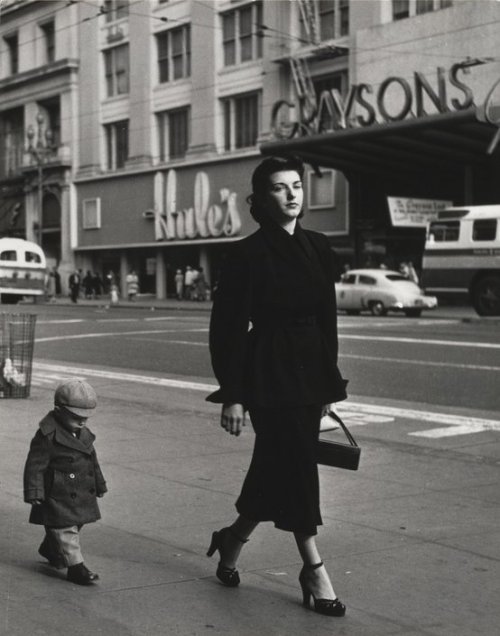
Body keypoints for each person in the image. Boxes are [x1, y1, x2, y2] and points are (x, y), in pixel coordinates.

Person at [207, 156, 348, 617]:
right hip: (267, 371)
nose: (292, 195)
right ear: (260, 199)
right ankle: (314, 567)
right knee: (298, 464)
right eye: (279, 188)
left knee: (276, 465)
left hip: (310, 370)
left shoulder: (319, 247)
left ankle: (231, 541)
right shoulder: (246, 255)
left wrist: (330, 380)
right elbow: (226, 328)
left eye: (296, 186)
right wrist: (232, 393)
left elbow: (327, 318)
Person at [23, 379, 107, 585]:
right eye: (76, 417)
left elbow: (91, 462)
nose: (82, 422)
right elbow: (35, 465)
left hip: (79, 491)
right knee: (65, 527)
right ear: (58, 410)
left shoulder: (83, 433)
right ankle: (76, 568)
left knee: (76, 524)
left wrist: (99, 483)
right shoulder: (47, 435)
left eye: (86, 418)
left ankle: (50, 548)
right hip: (57, 493)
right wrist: (34, 490)